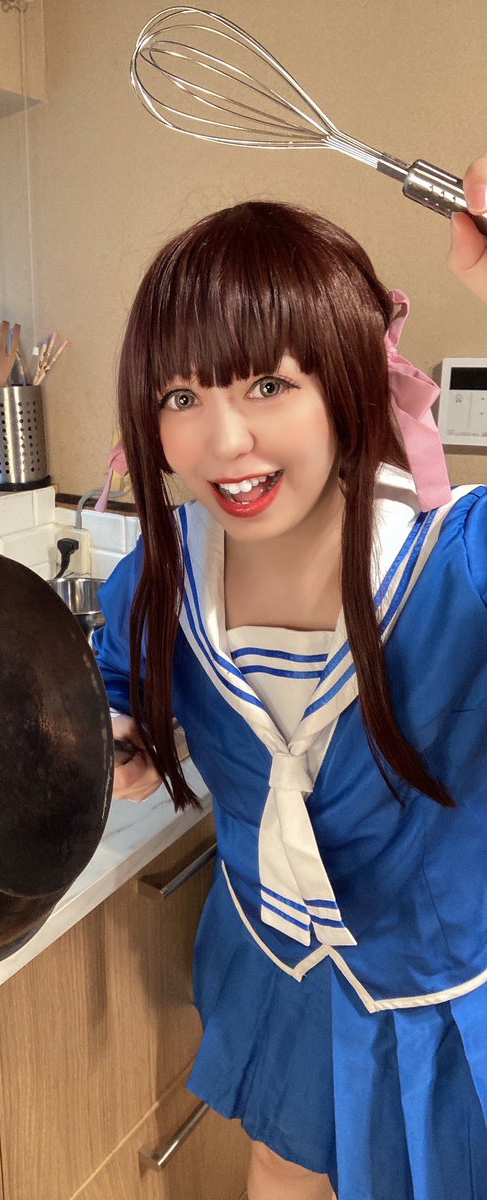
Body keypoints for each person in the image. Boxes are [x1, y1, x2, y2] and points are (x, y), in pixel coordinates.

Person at [92, 156, 487, 1200]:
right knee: (282, 1162)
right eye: (182, 396)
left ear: (346, 386)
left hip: (441, 988)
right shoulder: (161, 577)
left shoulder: (459, 567)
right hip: (280, 962)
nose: (224, 441)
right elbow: (115, 674)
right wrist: (121, 729)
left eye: (268, 384)